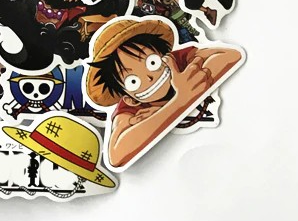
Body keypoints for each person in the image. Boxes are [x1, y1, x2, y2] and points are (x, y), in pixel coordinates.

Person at [85, 17, 242, 168]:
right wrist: (180, 101)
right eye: (133, 81)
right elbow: (116, 155)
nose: (149, 76)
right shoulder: (130, 109)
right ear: (129, 98)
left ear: (164, 56)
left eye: (152, 62)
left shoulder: (178, 61)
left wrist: (165, 110)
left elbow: (231, 55)